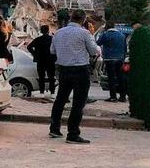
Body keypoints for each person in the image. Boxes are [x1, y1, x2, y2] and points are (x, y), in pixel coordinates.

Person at [49, 9, 100, 144]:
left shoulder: (58, 33)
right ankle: (72, 133)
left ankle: (54, 128)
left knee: (60, 99)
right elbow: (94, 51)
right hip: (80, 70)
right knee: (78, 103)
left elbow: (52, 50)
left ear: (71, 18)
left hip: (63, 69)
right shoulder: (84, 33)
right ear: (83, 20)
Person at [97, 21, 127, 102]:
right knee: (120, 78)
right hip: (120, 59)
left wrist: (101, 31)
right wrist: (123, 58)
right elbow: (125, 48)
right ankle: (123, 96)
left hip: (109, 59)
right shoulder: (122, 35)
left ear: (106, 27)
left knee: (111, 78)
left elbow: (98, 43)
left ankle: (113, 97)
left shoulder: (106, 34)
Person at [27, 25, 56, 95]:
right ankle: (52, 92)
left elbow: (29, 47)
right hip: (50, 61)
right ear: (48, 31)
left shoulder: (37, 39)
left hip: (40, 61)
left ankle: (41, 92)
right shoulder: (52, 39)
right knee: (51, 77)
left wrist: (34, 54)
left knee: (41, 77)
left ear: (41, 31)